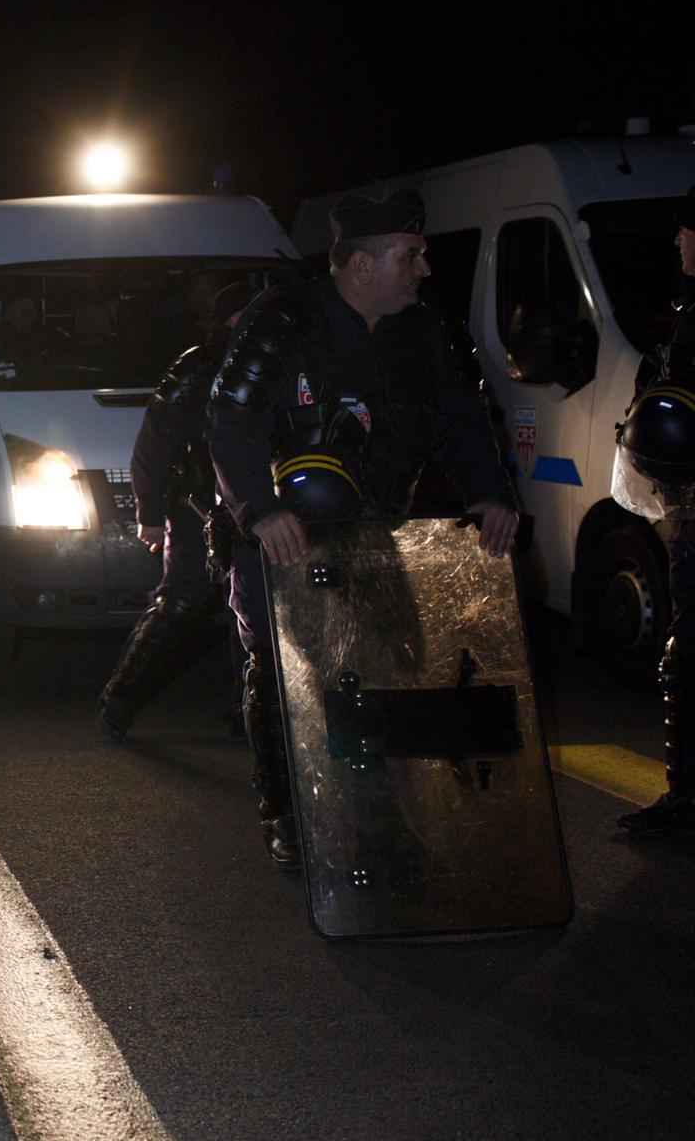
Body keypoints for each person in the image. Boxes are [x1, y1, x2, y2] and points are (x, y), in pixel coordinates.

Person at [207, 188, 516, 869]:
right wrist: (259, 509)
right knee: (285, 674)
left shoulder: (427, 334)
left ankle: (381, 821)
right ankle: (286, 812)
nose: (424, 269)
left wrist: (490, 494)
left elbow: (462, 422)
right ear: (361, 265)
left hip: (375, 533)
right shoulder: (283, 319)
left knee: (390, 666)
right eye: (411, 256)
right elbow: (232, 420)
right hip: (280, 535)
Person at [97, 281, 251, 740]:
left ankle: (252, 711)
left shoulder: (271, 362)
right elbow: (154, 446)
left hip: (251, 508)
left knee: (256, 611)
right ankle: (120, 702)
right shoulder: (200, 366)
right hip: (200, 515)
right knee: (182, 604)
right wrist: (149, 513)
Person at [617, 184, 695, 836]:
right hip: (685, 509)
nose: (678, 241)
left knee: (687, 655)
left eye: (687, 230)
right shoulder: (686, 311)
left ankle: (687, 803)